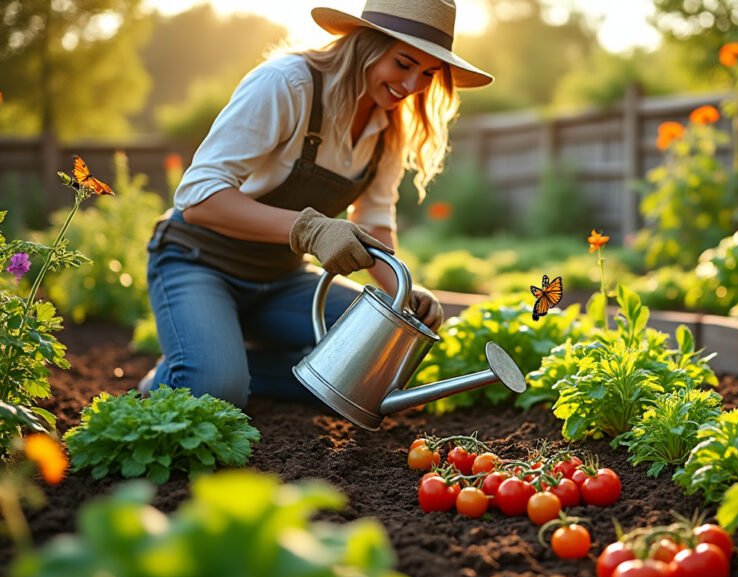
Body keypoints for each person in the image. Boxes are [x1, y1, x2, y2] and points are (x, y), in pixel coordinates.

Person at [141, 0, 493, 407]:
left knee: (379, 357)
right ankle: (195, 369)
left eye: (428, 74)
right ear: (366, 44)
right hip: (198, 262)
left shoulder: (389, 124)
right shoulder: (287, 85)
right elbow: (199, 197)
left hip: (281, 280)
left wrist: (405, 292)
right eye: (403, 63)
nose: (413, 84)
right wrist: (310, 229)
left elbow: (375, 222)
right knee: (217, 391)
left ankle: (218, 360)